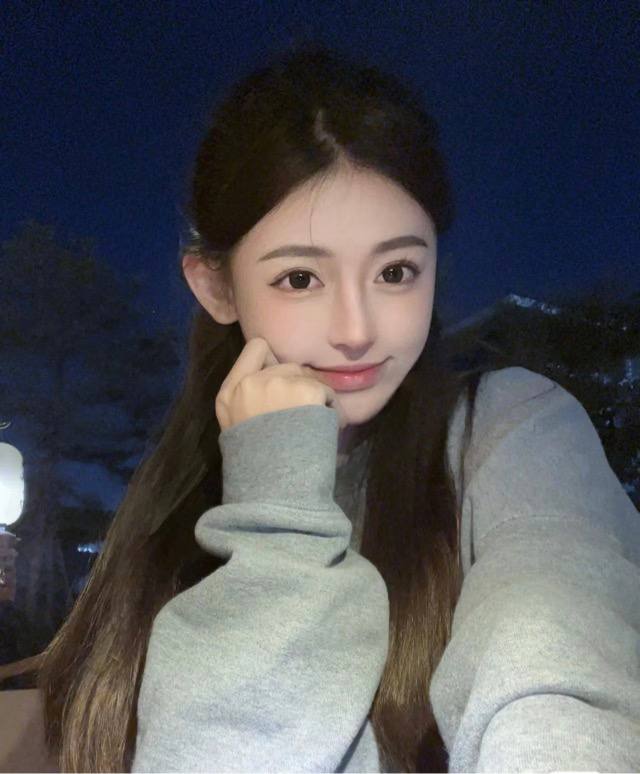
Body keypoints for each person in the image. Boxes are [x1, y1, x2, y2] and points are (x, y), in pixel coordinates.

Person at [35, 39, 640, 773]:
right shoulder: (172, 498)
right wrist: (277, 498)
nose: (356, 330)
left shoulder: (515, 431)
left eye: (396, 271)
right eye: (300, 279)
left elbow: (558, 658)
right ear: (216, 288)